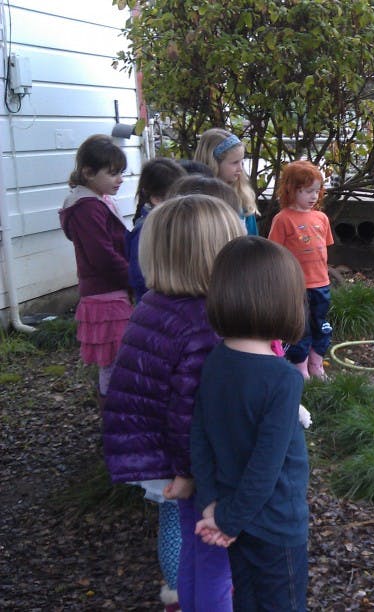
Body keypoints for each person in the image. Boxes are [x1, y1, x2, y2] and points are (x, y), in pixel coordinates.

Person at [103, 195, 245, 612]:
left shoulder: (154, 303)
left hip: (157, 451)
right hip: (188, 463)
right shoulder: (203, 320)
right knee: (215, 555)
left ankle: (185, 603)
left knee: (192, 549)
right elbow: (188, 412)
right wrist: (188, 472)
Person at [191, 236, 310, 611]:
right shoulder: (283, 378)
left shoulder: (215, 361)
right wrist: (226, 520)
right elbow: (266, 466)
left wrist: (212, 505)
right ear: (283, 302)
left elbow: (200, 438)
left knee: (247, 600)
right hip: (276, 526)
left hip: (233, 515)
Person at [58, 134, 131, 403]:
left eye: (120, 173)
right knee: (113, 361)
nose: (119, 180)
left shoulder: (97, 200)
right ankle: (114, 415)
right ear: (88, 172)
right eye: (112, 174)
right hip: (105, 295)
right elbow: (103, 256)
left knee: (118, 359)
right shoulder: (87, 208)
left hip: (112, 292)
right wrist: (133, 276)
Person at [268, 160, 335, 380]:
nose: (314, 196)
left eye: (317, 191)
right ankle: (301, 368)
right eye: (307, 191)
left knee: (321, 325)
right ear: (291, 190)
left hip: (320, 284)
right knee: (300, 328)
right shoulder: (283, 220)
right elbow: (275, 253)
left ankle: (317, 365)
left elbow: (323, 250)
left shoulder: (321, 218)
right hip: (296, 286)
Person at [126, 158, 186, 302]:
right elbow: (139, 276)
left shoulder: (170, 224)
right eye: (177, 196)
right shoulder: (144, 231)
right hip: (154, 307)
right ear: (156, 199)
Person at [194, 128, 258, 235]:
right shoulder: (197, 200)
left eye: (242, 161)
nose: (240, 168)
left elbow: (253, 238)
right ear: (214, 163)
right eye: (234, 162)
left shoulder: (242, 196)